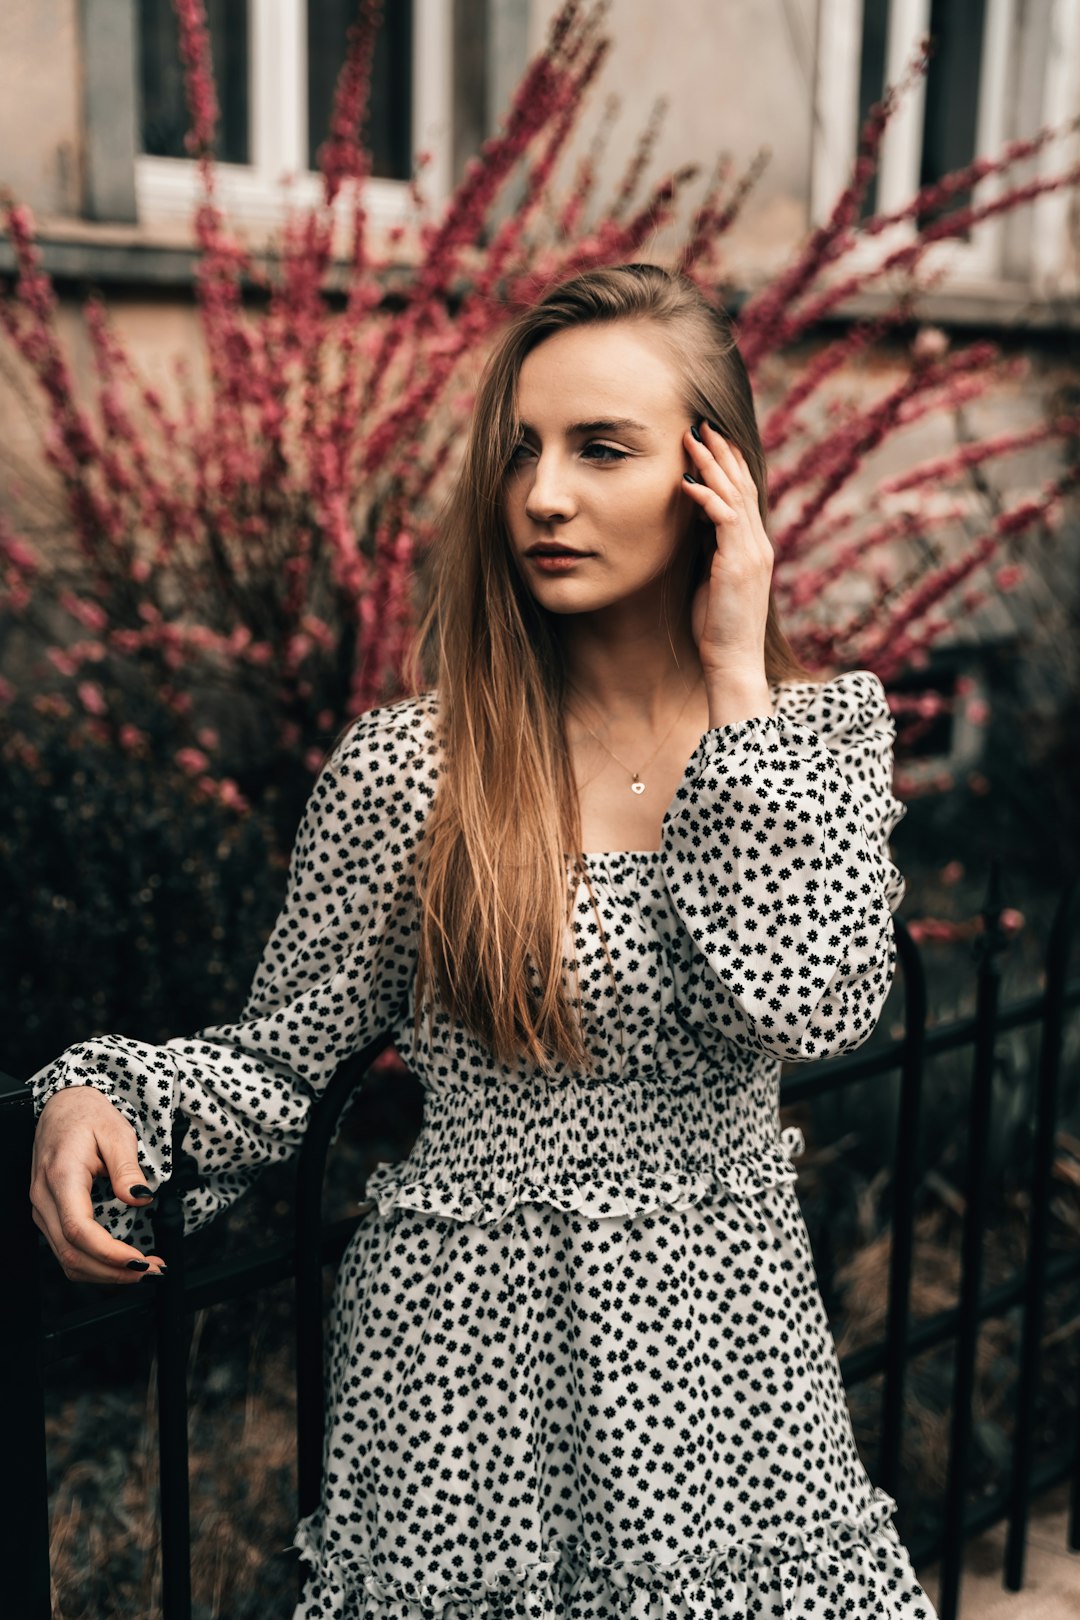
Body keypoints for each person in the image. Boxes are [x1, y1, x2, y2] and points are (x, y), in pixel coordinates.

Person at [29, 263, 938, 1618]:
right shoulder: (416, 770)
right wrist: (107, 1094)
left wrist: (741, 686)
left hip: (730, 1391)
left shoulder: (806, 744)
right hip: (462, 1391)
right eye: (517, 453)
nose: (544, 496)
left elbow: (814, 1000)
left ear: (717, 480)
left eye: (601, 448)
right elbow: (288, 1066)